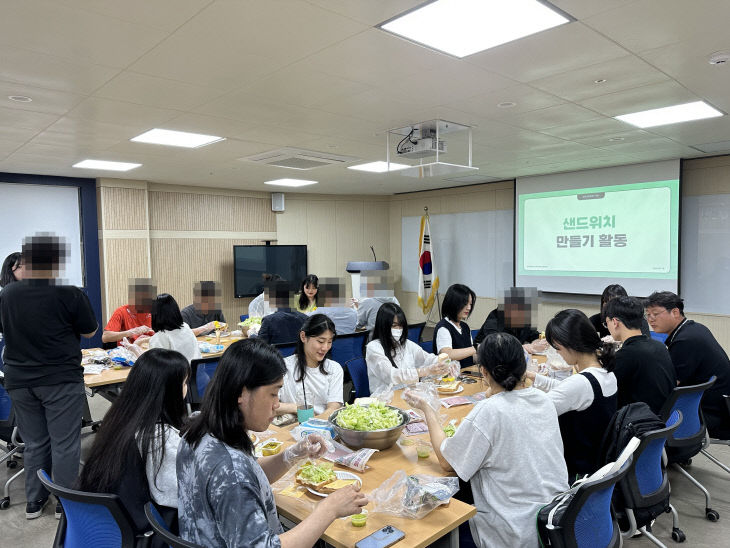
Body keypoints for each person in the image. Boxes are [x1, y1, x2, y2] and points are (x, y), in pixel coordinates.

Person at [177, 338, 368, 547]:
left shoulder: (200, 427)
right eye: (273, 394)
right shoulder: (231, 472)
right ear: (241, 392)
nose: (277, 405)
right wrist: (329, 509)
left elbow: (251, 475)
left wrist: (294, 453)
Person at [403, 333, 568, 548]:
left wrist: (428, 409)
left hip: (513, 531)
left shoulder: (489, 411)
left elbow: (446, 462)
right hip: (556, 520)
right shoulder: (543, 400)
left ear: (484, 371)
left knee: (426, 525)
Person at [0, 233, 97, 519]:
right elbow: (90, 331)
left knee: (34, 442)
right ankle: (63, 503)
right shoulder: (68, 292)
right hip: (59, 379)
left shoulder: (6, 295)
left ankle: (34, 502)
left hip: (19, 381)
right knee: (64, 442)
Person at [77, 349, 190, 532]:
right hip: (143, 530)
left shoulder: (119, 418)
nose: (187, 389)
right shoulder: (158, 438)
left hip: (106, 523)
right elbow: (183, 496)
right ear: (170, 391)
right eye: (184, 383)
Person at [525, 309, 617, 481]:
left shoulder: (580, 383)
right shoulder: (605, 372)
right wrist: (535, 378)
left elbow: (534, 412)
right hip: (597, 464)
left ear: (571, 345)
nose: (558, 353)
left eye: (558, 348)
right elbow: (568, 391)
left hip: (575, 471)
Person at [645, 291, 730, 439]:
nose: (650, 320)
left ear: (675, 312)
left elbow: (668, 386)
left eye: (655, 314)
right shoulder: (694, 328)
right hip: (719, 407)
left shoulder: (685, 341)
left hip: (710, 415)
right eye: (648, 315)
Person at [603, 296, 676, 415]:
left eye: (607, 323)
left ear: (615, 322)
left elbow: (604, 388)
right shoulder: (660, 346)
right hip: (663, 419)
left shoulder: (626, 354)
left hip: (639, 424)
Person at [365, 303, 450, 395]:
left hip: (409, 395)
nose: (398, 329)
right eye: (394, 325)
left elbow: (427, 359)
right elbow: (391, 375)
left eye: (401, 325)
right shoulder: (373, 347)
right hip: (385, 399)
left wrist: (446, 363)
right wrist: (424, 371)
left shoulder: (406, 344)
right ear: (383, 326)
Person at [278, 314, 343, 416]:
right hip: (290, 425)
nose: (325, 348)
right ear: (303, 337)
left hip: (322, 424)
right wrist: (296, 407)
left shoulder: (334, 369)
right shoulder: (283, 367)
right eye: (320, 341)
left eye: (329, 342)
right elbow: (269, 405)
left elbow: (333, 407)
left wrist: (317, 424)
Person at [473, 287, 547, 354]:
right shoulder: (494, 321)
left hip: (512, 357)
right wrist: (523, 347)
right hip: (487, 358)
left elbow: (534, 335)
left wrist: (538, 343)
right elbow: (496, 346)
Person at [149, 294, 202, 364]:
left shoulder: (159, 337)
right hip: (199, 373)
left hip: (179, 374)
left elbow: (155, 365)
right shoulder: (185, 327)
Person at [102, 278, 156, 345]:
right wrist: (130, 332)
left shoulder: (155, 310)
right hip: (128, 351)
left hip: (151, 349)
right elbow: (105, 337)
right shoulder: (121, 311)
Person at [434, 284, 477, 368]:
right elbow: (446, 354)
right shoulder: (443, 327)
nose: (469, 308)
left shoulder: (465, 327)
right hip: (451, 377)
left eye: (470, 304)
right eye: (465, 303)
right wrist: (476, 348)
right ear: (454, 303)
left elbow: (471, 356)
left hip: (467, 374)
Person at [257, 280, 308, 345]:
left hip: (276, 355)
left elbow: (259, 347)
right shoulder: (305, 319)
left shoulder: (268, 320)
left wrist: (251, 335)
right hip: (298, 355)